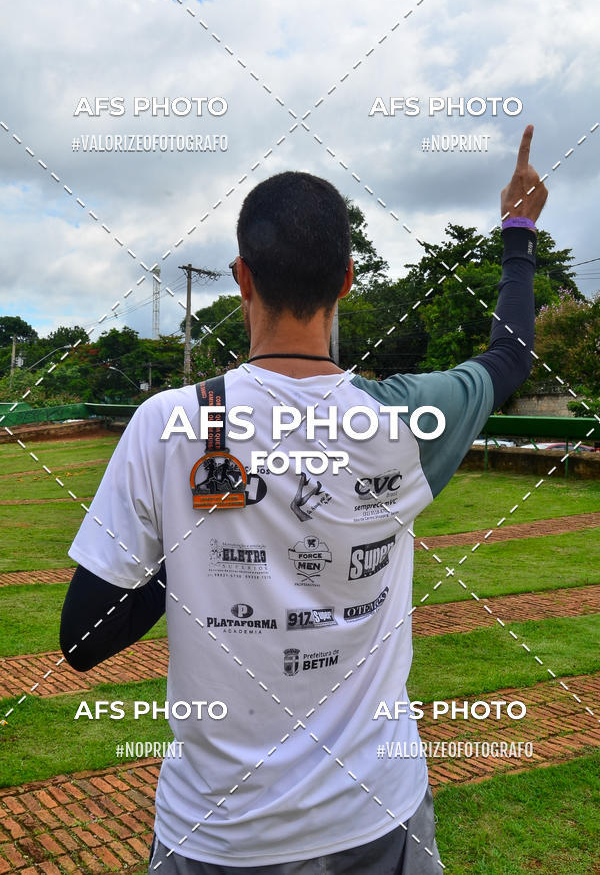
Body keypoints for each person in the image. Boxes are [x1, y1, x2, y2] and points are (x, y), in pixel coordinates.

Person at [61, 125, 548, 874]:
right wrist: (517, 231)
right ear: (348, 279)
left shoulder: (170, 422)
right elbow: (512, 353)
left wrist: (201, 550)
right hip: (378, 813)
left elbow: (84, 638)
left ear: (241, 277)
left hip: (217, 836)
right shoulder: (405, 419)